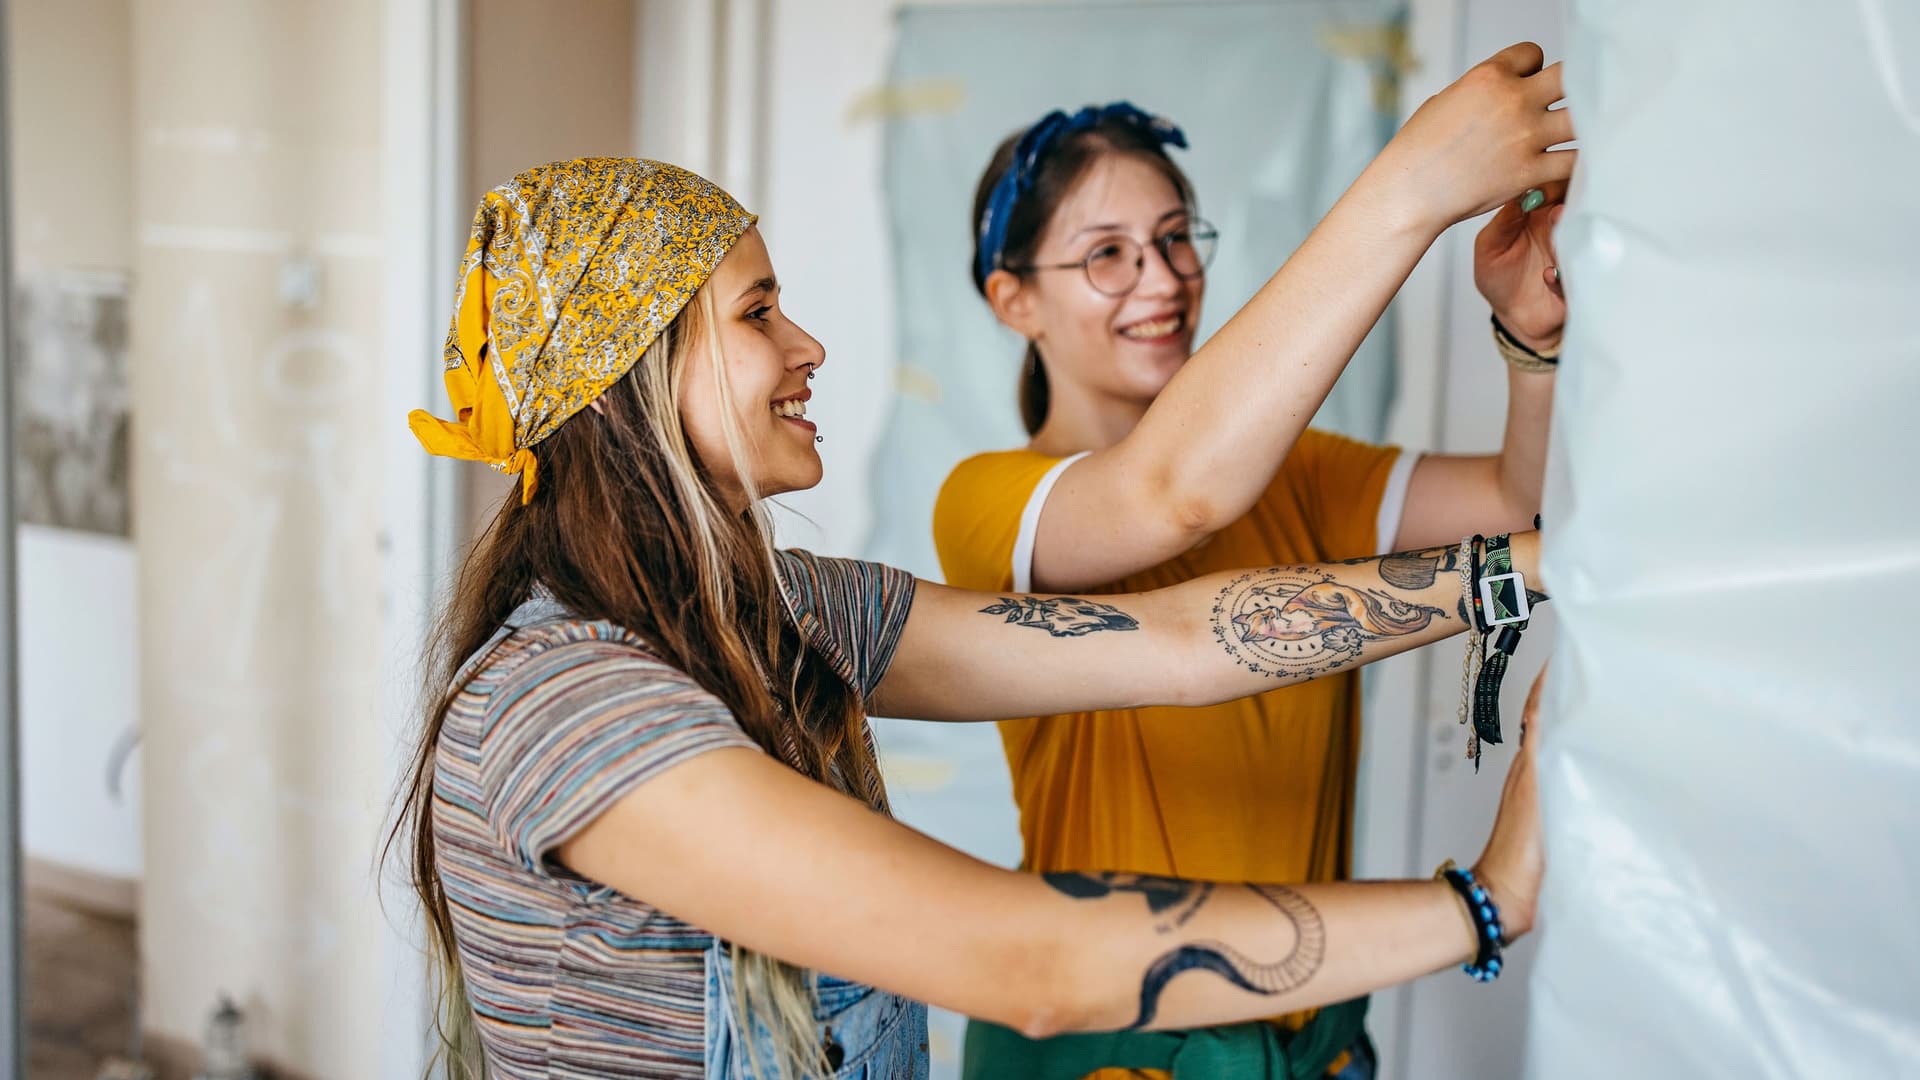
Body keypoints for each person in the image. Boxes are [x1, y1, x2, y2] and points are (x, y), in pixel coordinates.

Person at [393, 152, 1554, 1077]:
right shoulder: (565, 700)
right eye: (758, 315)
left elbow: (1181, 640)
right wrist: (1483, 903)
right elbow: (1029, 963)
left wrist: (1522, 570)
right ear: (638, 374)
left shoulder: (786, 609)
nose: (808, 347)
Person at [934, 44, 1570, 1080]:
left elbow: (1512, 504)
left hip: (1308, 1034)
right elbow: (1172, 496)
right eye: (1107, 254)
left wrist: (1527, 339)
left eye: (1177, 237)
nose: (1163, 279)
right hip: (1112, 1043)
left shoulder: (1298, 474)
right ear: (1014, 301)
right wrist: (1411, 184)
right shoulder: (993, 502)